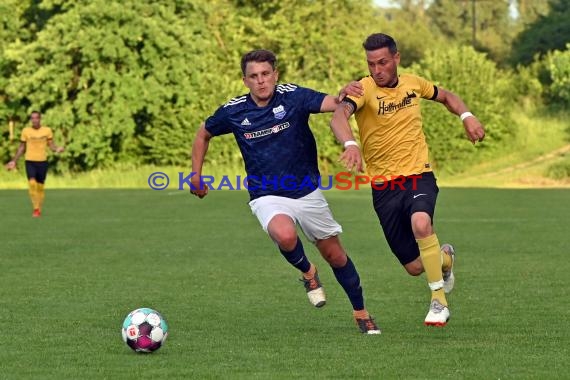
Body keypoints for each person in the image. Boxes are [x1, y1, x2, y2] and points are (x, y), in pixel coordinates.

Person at [190, 49, 380, 334]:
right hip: (265, 193)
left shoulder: (293, 96)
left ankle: (361, 313)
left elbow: (331, 103)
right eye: (253, 76)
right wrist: (196, 174)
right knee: (285, 234)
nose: (261, 81)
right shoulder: (234, 110)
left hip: (306, 191)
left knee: (336, 257)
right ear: (245, 81)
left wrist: (343, 94)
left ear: (275, 75)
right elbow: (203, 132)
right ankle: (308, 272)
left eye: (266, 74)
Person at [330, 33, 486, 327]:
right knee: (415, 267)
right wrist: (350, 144)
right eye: (371, 64)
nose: (377, 70)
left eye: (383, 62)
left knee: (421, 223)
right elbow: (339, 116)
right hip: (384, 188)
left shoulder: (414, 83)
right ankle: (445, 260)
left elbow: (448, 96)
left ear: (396, 58)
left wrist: (467, 115)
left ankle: (439, 302)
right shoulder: (362, 89)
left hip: (418, 175)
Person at [5, 111, 65, 217]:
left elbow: (51, 145)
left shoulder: (47, 130)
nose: (34, 120)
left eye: (36, 118)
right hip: (30, 161)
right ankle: (36, 209)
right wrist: (14, 160)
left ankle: (39, 208)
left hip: (42, 162)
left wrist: (57, 149)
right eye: (32, 118)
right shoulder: (26, 131)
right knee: (32, 184)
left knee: (40, 187)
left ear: (40, 119)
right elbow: (22, 147)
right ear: (30, 120)